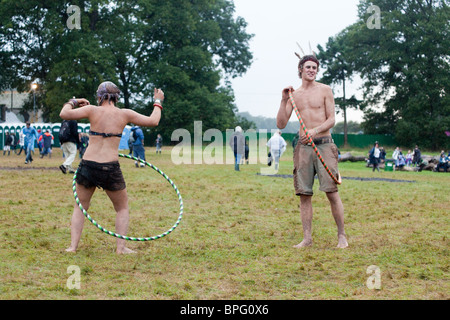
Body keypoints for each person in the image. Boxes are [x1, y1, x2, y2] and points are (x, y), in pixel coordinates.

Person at [60, 81, 164, 254]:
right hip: (110, 167)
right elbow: (153, 120)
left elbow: (64, 113)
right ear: (116, 97)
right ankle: (121, 248)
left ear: (99, 96)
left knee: (80, 206)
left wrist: (75, 101)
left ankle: (72, 247)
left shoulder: (92, 110)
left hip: (88, 164)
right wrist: (158, 101)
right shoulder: (124, 114)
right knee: (122, 208)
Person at [277, 54, 348, 249]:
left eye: (314, 68)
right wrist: (283, 101)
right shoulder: (294, 95)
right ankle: (307, 238)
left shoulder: (325, 90)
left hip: (324, 144)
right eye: (308, 67)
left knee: (331, 192)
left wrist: (314, 130)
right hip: (303, 148)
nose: (311, 70)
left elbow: (332, 119)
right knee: (304, 194)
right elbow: (281, 124)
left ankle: (342, 236)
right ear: (300, 69)